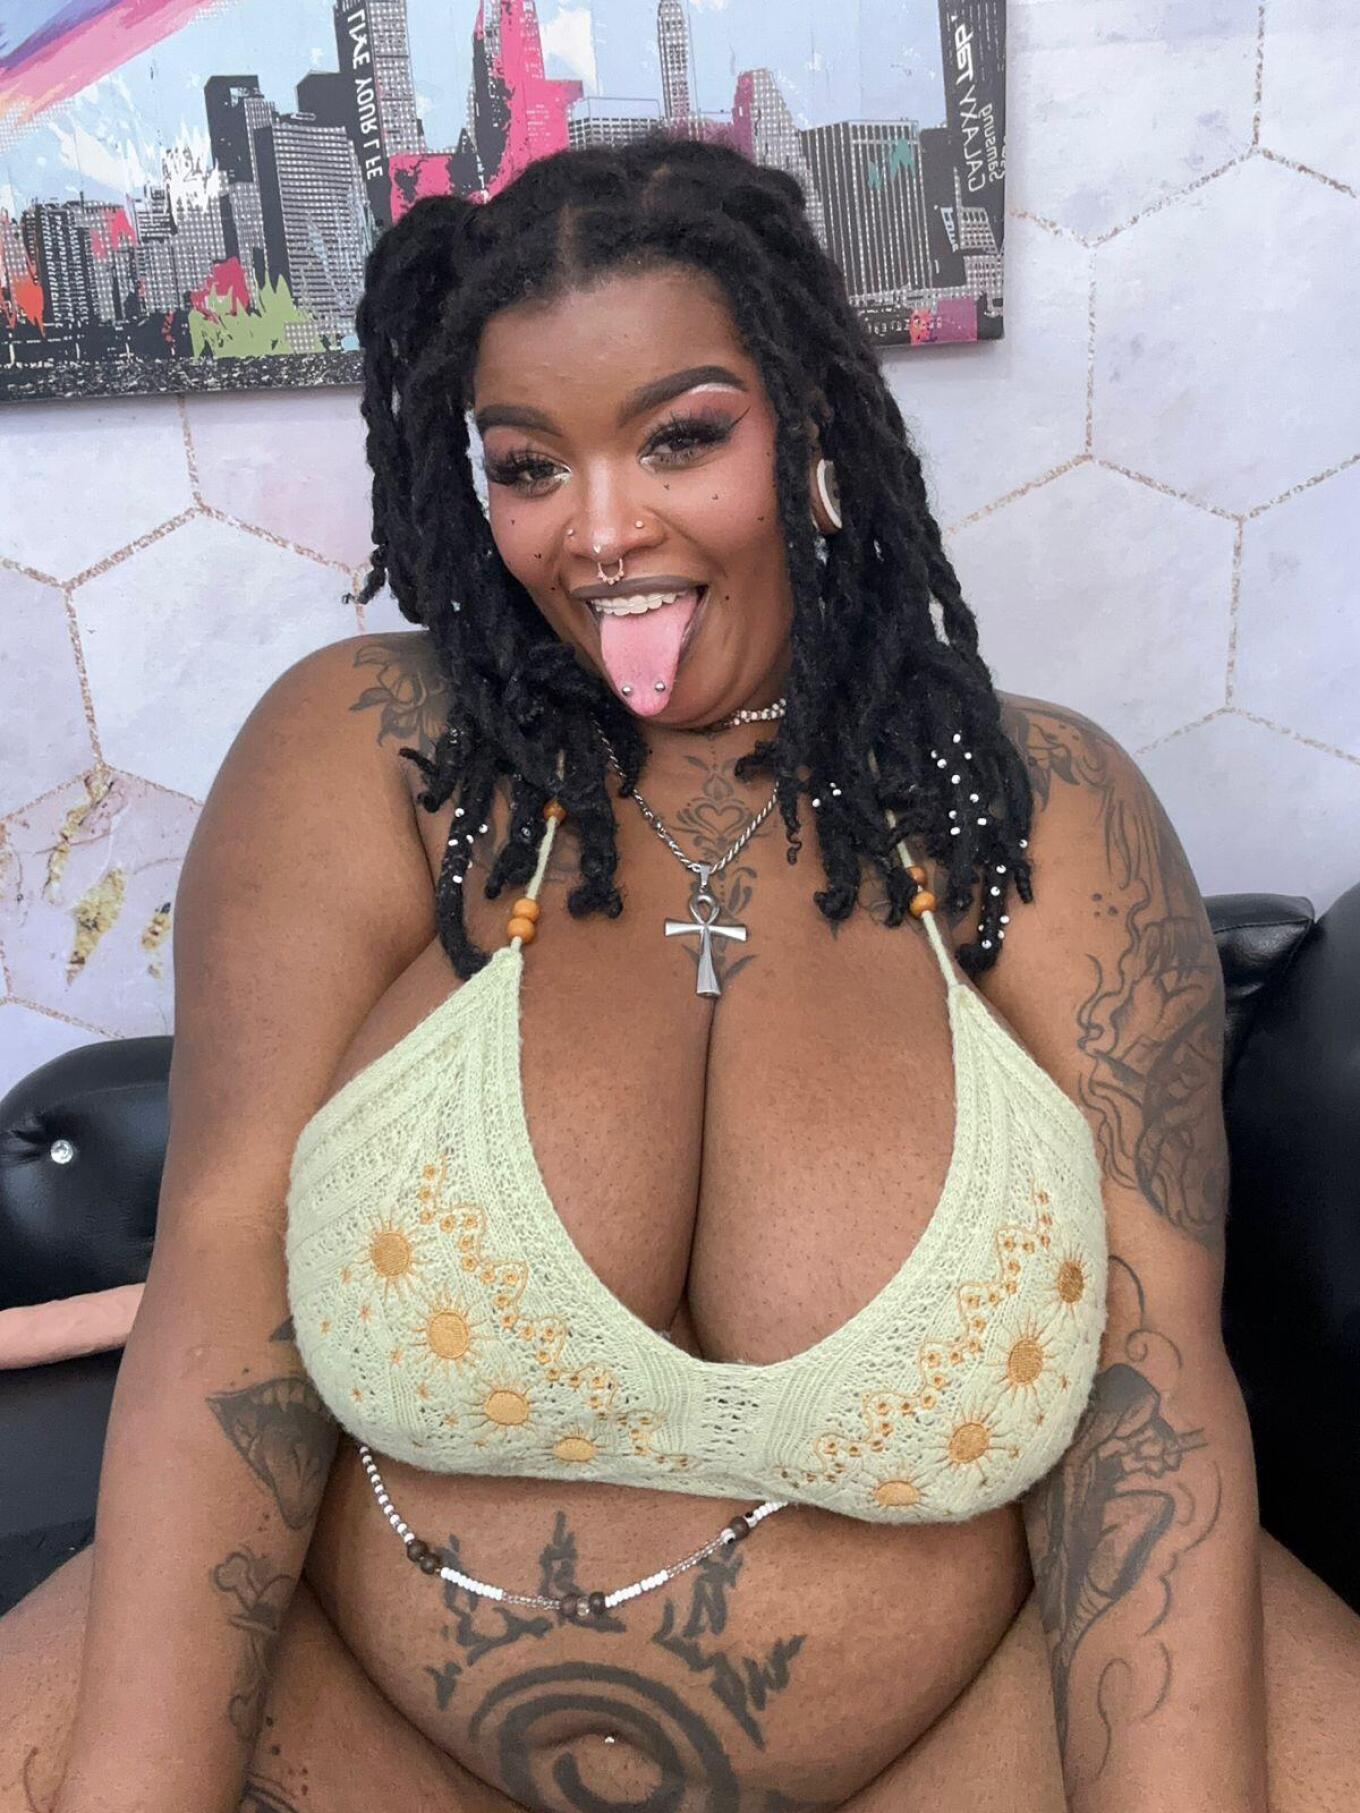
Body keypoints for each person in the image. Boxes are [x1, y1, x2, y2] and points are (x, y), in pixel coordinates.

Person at [2, 135, 1358, 1813]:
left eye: (682, 437)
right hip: (351, 1736)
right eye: (528, 464)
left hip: (969, 1749)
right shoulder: (370, 758)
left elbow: (1152, 1393)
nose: (601, 531)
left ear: (807, 416)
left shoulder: (1037, 809)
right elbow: (222, 1299)